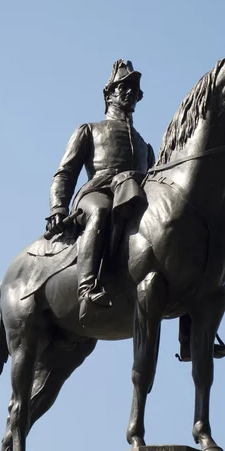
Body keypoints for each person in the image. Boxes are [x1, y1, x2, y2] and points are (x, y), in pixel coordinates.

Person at [46, 60, 155, 322]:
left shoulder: (145, 146)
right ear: (109, 94)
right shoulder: (89, 130)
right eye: (123, 87)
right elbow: (66, 172)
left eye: (134, 90)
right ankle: (86, 289)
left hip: (133, 195)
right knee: (101, 212)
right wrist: (58, 207)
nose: (130, 93)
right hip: (98, 193)